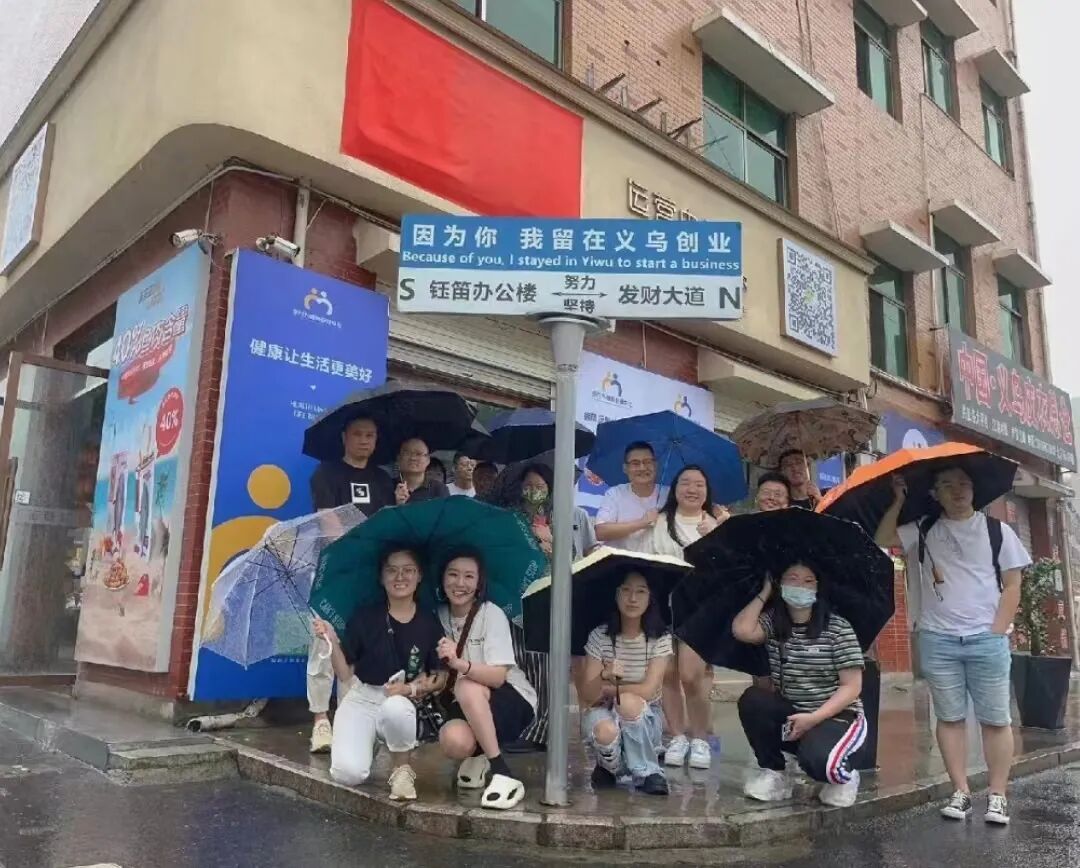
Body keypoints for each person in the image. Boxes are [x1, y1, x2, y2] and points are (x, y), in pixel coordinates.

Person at [876, 467, 1030, 825]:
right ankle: (960, 791)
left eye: (963, 484)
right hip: (938, 638)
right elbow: (883, 538)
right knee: (949, 718)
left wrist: (996, 631)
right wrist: (898, 501)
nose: (957, 491)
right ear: (935, 493)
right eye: (947, 485)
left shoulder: (997, 531)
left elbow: (1013, 585)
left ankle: (997, 794)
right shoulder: (924, 529)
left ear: (974, 489)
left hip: (986, 639)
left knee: (996, 719)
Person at [311, 547, 444, 802]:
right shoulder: (364, 617)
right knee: (347, 774)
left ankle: (401, 770)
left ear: (419, 576)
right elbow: (345, 673)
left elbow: (440, 677)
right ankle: (367, 740)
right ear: (381, 577)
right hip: (363, 698)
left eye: (408, 570)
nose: (400, 577)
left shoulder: (429, 622)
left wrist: (411, 689)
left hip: (403, 702)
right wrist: (331, 639)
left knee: (396, 708)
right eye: (391, 570)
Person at [733, 560, 866, 808]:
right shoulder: (773, 623)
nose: (800, 586)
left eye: (808, 581)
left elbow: (852, 687)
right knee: (754, 700)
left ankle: (845, 776)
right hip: (794, 715)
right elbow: (742, 630)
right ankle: (777, 772)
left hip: (835, 716)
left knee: (819, 763)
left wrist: (814, 718)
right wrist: (765, 592)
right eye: (792, 579)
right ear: (780, 584)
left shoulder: (838, 627)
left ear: (818, 587)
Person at [308, 416, 397, 753]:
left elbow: (389, 525)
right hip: (334, 572)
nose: (364, 440)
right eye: (357, 434)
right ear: (344, 437)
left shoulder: (383, 479)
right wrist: (360, 546)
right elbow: (329, 524)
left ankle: (349, 719)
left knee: (358, 646)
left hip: (371, 576)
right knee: (324, 643)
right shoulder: (326, 474)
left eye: (370, 435)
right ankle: (320, 720)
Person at [435, 550, 536, 810]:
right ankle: (478, 755)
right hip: (467, 702)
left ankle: (502, 771)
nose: (460, 583)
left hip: (511, 698)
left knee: (467, 685)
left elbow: (498, 677)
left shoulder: (491, 614)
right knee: (454, 741)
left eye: (469, 576)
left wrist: (460, 664)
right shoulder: (437, 615)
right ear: (442, 579)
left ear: (479, 583)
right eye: (453, 574)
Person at [650, 465, 721, 771]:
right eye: (685, 483)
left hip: (700, 607)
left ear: (707, 491)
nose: (692, 489)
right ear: (675, 489)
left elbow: (725, 569)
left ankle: (700, 738)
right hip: (663, 605)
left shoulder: (716, 523)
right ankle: (677, 736)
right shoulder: (659, 522)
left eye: (699, 484)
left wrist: (714, 538)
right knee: (667, 674)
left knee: (692, 675)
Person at [580, 570, 673, 796]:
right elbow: (589, 696)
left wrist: (610, 689)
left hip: (645, 715)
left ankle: (648, 772)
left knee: (629, 703)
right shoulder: (599, 636)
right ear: (616, 594)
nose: (632, 599)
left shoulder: (660, 638)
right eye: (626, 590)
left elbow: (648, 691)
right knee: (605, 731)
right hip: (603, 711)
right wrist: (604, 674)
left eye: (641, 592)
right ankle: (611, 768)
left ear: (650, 598)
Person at [595, 442, 670, 552]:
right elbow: (600, 532)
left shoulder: (669, 494)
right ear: (625, 468)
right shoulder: (615, 494)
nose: (642, 468)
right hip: (621, 560)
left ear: (655, 465)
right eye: (635, 463)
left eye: (647, 462)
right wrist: (642, 523)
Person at [393, 437, 451, 505]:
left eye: (418, 454)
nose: (413, 458)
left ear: (428, 460)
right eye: (407, 453)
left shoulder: (439, 489)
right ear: (399, 458)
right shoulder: (388, 486)